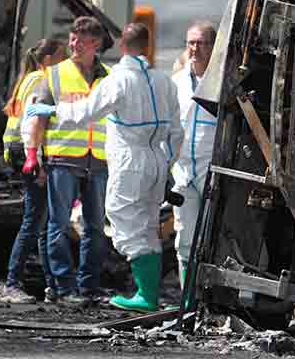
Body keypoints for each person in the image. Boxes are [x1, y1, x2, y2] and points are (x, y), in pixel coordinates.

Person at [28, 22, 183, 312]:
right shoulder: (165, 81)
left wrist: (54, 110)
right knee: (148, 225)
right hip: (157, 161)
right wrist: (168, 164)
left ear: (122, 46)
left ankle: (145, 296)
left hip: (129, 160)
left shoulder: (118, 80)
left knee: (126, 223)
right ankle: (148, 293)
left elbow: (86, 112)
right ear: (148, 46)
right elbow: (177, 132)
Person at [26, 15, 111, 305]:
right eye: (72, 39)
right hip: (63, 159)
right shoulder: (55, 74)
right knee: (59, 225)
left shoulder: (109, 77)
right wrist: (33, 154)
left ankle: (89, 287)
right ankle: (64, 288)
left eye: (81, 41)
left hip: (99, 160)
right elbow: (38, 118)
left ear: (96, 44)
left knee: (96, 228)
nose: (74, 45)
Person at [0, 38, 66, 304]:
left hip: (17, 150)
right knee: (34, 220)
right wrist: (36, 162)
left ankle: (53, 286)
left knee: (40, 221)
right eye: (61, 55)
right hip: (28, 153)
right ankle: (12, 284)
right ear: (48, 59)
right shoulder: (41, 80)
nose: (65, 61)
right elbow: (32, 125)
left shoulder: (28, 78)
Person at [170, 21, 217, 287]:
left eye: (201, 43)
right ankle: (186, 297)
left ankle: (207, 296)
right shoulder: (176, 82)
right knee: (185, 238)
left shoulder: (221, 82)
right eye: (191, 42)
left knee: (211, 236)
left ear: (213, 46)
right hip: (182, 169)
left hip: (211, 167)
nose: (195, 48)